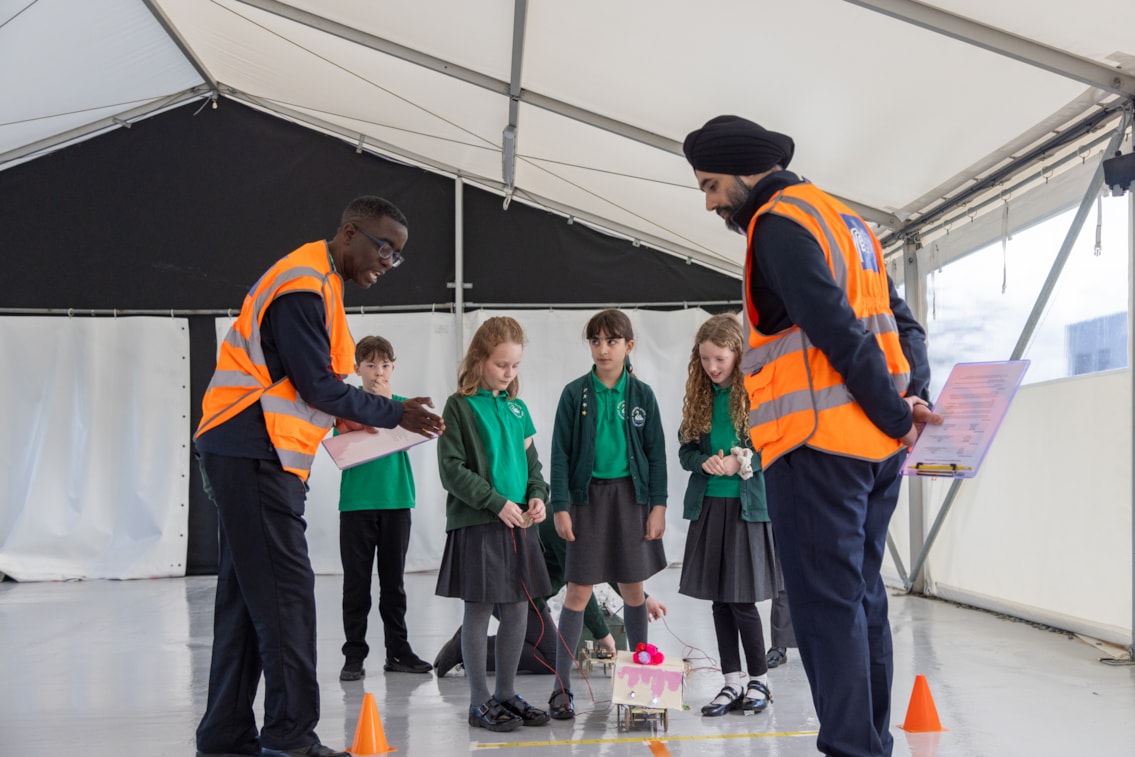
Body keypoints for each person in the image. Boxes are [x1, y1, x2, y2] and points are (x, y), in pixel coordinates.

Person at [684, 116, 942, 757]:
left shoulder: (776, 225)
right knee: (861, 600)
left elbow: (833, 326)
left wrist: (892, 412)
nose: (711, 202)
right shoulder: (847, 222)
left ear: (747, 171)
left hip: (817, 447)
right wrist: (909, 405)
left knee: (827, 612)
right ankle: (871, 744)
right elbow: (903, 325)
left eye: (712, 185)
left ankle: (855, 749)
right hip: (874, 454)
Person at [193, 196, 445, 757]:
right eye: (384, 248)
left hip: (248, 447)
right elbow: (316, 386)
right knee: (287, 596)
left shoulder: (321, 282)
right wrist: (393, 411)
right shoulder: (305, 284)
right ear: (350, 233)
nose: (387, 262)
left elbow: (317, 390)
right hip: (253, 447)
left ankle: (225, 737)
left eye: (397, 256)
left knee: (246, 598)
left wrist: (378, 411)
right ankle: (290, 739)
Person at [546, 309, 668, 720]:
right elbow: (559, 455)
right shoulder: (574, 393)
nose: (603, 349)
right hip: (586, 501)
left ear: (628, 346)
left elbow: (657, 455)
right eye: (595, 341)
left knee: (634, 590)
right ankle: (561, 689)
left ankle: (640, 684)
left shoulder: (642, 395)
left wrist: (658, 506)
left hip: (630, 501)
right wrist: (560, 506)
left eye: (612, 341)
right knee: (578, 592)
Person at [434, 316, 553, 733]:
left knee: (518, 609)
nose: (509, 373)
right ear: (480, 359)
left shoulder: (518, 408)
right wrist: (495, 501)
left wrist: (538, 495)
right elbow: (452, 470)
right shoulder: (459, 406)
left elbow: (532, 464)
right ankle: (478, 701)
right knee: (479, 609)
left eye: (516, 366)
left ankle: (505, 694)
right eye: (502, 364)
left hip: (519, 524)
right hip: (479, 523)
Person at [676, 313, 783, 717]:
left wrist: (743, 461)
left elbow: (773, 446)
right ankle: (731, 682)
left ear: (738, 355)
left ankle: (760, 680)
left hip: (746, 508)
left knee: (741, 600)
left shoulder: (756, 395)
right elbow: (686, 450)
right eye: (704, 359)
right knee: (719, 601)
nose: (712, 367)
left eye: (719, 358)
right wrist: (703, 462)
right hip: (709, 508)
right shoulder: (701, 398)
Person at [432, 515, 669, 677]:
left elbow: (603, 565)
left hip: (527, 597)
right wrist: (603, 634)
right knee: (553, 658)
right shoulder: (566, 524)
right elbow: (580, 585)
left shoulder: (585, 518)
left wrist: (644, 598)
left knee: (542, 645)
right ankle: (469, 646)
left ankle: (471, 642)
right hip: (512, 594)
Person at [336, 335, 432, 682]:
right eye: (371, 365)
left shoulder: (404, 406)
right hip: (356, 504)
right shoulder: (346, 404)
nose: (379, 371)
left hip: (396, 501)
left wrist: (389, 404)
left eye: (385, 364)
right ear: (357, 368)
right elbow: (342, 440)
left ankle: (398, 652)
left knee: (394, 584)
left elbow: (423, 431)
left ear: (394, 367)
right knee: (356, 584)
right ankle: (353, 654)